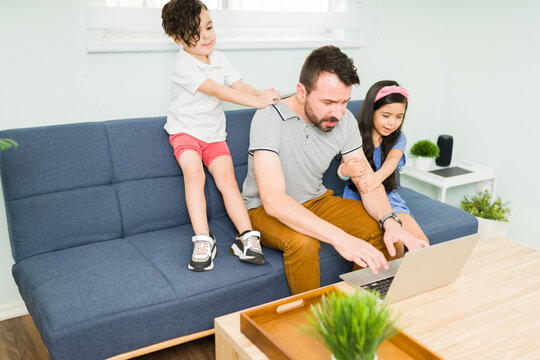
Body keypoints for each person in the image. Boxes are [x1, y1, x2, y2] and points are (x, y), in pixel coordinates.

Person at [242, 46, 428, 294]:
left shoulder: (344, 121)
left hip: (316, 200)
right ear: (301, 92)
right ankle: (310, 323)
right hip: (263, 209)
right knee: (304, 243)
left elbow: (367, 182)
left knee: (383, 231)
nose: (338, 112)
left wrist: (390, 220)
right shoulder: (269, 118)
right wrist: (341, 239)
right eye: (329, 102)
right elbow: (274, 200)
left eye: (344, 102)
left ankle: (358, 311)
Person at [161, 0, 280, 272]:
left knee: (228, 179)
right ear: (177, 38)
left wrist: (265, 96)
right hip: (185, 132)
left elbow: (238, 85)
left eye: (209, 26)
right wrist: (256, 103)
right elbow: (217, 91)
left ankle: (247, 237)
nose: (206, 36)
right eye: (195, 32)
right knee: (195, 174)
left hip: (214, 135)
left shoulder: (220, 58)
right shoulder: (183, 64)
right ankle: (204, 240)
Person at [341, 80, 429, 244]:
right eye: (386, 116)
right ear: (371, 111)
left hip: (390, 199)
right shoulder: (354, 135)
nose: (392, 122)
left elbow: (392, 161)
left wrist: (375, 178)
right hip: (356, 199)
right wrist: (346, 171)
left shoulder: (398, 138)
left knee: (423, 244)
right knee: (396, 245)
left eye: (399, 117)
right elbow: (342, 172)